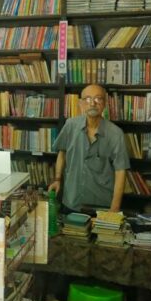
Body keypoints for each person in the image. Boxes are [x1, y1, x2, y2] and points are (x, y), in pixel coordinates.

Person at [49, 84, 129, 212]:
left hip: (102, 205)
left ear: (105, 104)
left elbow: (120, 171)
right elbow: (62, 153)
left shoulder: (115, 134)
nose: (92, 103)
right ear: (80, 103)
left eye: (98, 99)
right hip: (71, 201)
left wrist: (115, 207)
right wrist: (57, 179)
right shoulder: (70, 125)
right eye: (87, 99)